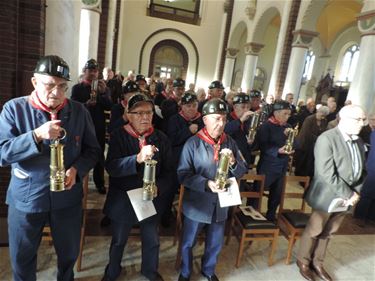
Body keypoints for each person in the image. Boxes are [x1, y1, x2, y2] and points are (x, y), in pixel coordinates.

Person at [0, 55, 100, 281]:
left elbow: (93, 151)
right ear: (34, 82)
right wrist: (35, 136)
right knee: (22, 258)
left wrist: (77, 170)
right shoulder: (14, 109)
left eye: (62, 86)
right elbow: (2, 153)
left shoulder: (79, 111)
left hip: (67, 199)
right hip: (27, 199)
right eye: (50, 85)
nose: (56, 92)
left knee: (68, 254)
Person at [102, 94, 172, 281]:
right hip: (124, 198)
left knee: (152, 240)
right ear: (129, 114)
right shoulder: (118, 136)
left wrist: (159, 187)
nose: (145, 117)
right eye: (139, 112)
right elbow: (112, 167)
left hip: (151, 199)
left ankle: (149, 270)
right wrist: (137, 159)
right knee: (118, 240)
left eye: (148, 112)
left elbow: (170, 172)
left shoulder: (161, 138)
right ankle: (112, 270)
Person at [177, 98, 247, 281]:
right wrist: (206, 184)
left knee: (215, 242)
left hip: (220, 203)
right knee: (188, 242)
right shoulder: (192, 144)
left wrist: (233, 162)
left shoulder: (230, 142)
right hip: (197, 203)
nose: (221, 123)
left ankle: (208, 270)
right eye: (216, 118)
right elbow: (183, 174)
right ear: (205, 119)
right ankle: (185, 272)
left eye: (224, 119)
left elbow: (242, 169)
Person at [297, 105, 367, 281]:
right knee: (315, 229)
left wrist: (355, 192)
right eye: (358, 119)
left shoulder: (358, 140)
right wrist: (348, 194)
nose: (362, 123)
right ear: (343, 119)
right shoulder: (327, 139)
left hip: (348, 196)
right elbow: (325, 172)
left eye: (363, 119)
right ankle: (303, 261)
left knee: (330, 232)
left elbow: (362, 170)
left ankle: (318, 263)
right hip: (327, 195)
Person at [71, 59, 112, 194]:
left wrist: (103, 92)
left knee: (99, 154)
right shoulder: (77, 88)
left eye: (95, 71)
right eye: (91, 71)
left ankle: (99, 182)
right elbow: (73, 107)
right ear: (85, 71)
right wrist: (86, 105)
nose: (93, 73)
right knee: (81, 153)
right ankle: (79, 182)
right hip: (82, 125)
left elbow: (108, 106)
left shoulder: (102, 87)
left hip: (97, 126)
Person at [256, 100, 296, 222]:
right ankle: (252, 214)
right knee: (258, 191)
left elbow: (295, 142)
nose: (287, 117)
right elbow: (262, 146)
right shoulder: (266, 126)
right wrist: (278, 150)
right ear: (276, 113)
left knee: (277, 194)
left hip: (282, 166)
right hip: (268, 165)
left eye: (289, 114)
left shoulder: (288, 127)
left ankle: (271, 215)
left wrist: (291, 143)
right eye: (285, 114)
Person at [294, 105, 329, 178]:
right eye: (322, 115)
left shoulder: (324, 121)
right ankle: (300, 177)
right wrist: (318, 138)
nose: (322, 117)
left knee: (310, 162)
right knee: (303, 162)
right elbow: (306, 133)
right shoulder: (309, 119)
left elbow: (324, 131)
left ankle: (307, 177)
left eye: (324, 116)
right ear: (318, 112)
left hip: (314, 145)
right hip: (304, 143)